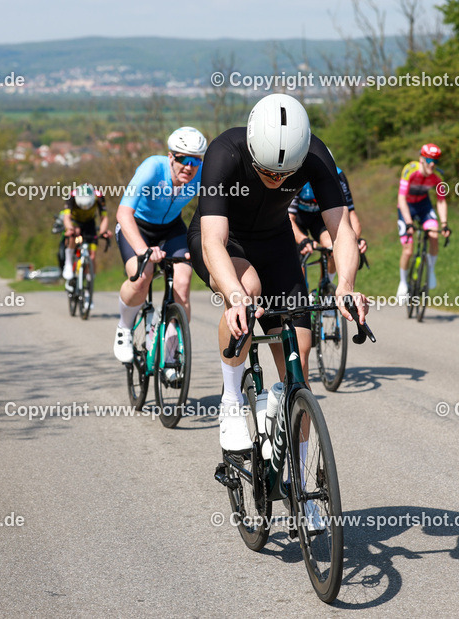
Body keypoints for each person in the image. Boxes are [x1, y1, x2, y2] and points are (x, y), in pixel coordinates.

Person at [188, 93, 369, 453]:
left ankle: (299, 480)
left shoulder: (316, 156)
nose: (276, 179)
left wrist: (346, 284)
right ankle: (232, 399)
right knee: (248, 288)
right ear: (253, 152)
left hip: (276, 242)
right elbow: (212, 241)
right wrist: (236, 297)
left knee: (298, 361)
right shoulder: (225, 151)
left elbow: (342, 230)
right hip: (226, 241)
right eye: (267, 171)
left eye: (285, 175)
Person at [112, 126, 207, 368]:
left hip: (171, 229)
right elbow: (123, 213)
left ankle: (172, 350)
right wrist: (144, 249)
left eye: (195, 161)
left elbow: (212, 213)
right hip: (137, 226)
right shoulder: (152, 168)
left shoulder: (201, 174)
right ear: (170, 156)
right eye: (183, 159)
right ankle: (124, 327)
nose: (189, 166)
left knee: (183, 284)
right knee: (142, 276)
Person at [289, 162, 368, 284]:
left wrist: (354, 240)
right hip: (298, 217)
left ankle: (326, 285)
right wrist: (303, 240)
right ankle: (302, 293)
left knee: (332, 245)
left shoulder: (338, 176)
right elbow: (289, 218)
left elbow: (351, 213)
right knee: (298, 255)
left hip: (321, 217)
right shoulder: (299, 174)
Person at [397, 144, 450, 296]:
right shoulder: (409, 170)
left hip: (424, 205)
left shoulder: (438, 177)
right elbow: (401, 198)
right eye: (428, 159)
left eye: (435, 161)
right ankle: (403, 282)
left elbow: (441, 201)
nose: (432, 164)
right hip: (406, 206)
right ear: (421, 159)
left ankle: (431, 270)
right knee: (408, 249)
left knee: (434, 235)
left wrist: (444, 223)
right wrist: (408, 222)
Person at [59, 184, 110, 307]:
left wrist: (103, 232)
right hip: (75, 222)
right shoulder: (71, 196)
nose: (86, 208)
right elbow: (67, 218)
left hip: (90, 224)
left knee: (92, 257)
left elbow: (104, 217)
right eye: (83, 206)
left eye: (88, 206)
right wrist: (70, 228)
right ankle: (69, 262)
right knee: (71, 237)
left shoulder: (99, 196)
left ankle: (88, 289)